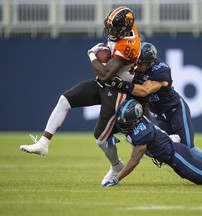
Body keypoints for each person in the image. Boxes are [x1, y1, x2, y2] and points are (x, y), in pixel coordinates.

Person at [20, 6, 141, 185]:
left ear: (125, 29)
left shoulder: (129, 44)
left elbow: (106, 74)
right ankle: (44, 144)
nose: (111, 32)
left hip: (117, 91)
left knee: (100, 139)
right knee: (65, 100)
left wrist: (92, 55)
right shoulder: (125, 28)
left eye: (115, 29)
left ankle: (116, 165)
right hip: (104, 84)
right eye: (110, 28)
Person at [108, 42, 202, 168]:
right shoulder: (135, 66)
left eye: (143, 63)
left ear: (151, 63)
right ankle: (201, 171)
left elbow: (144, 91)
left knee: (188, 147)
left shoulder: (160, 70)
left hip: (175, 109)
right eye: (138, 62)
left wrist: (121, 84)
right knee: (167, 147)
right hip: (159, 114)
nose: (139, 66)